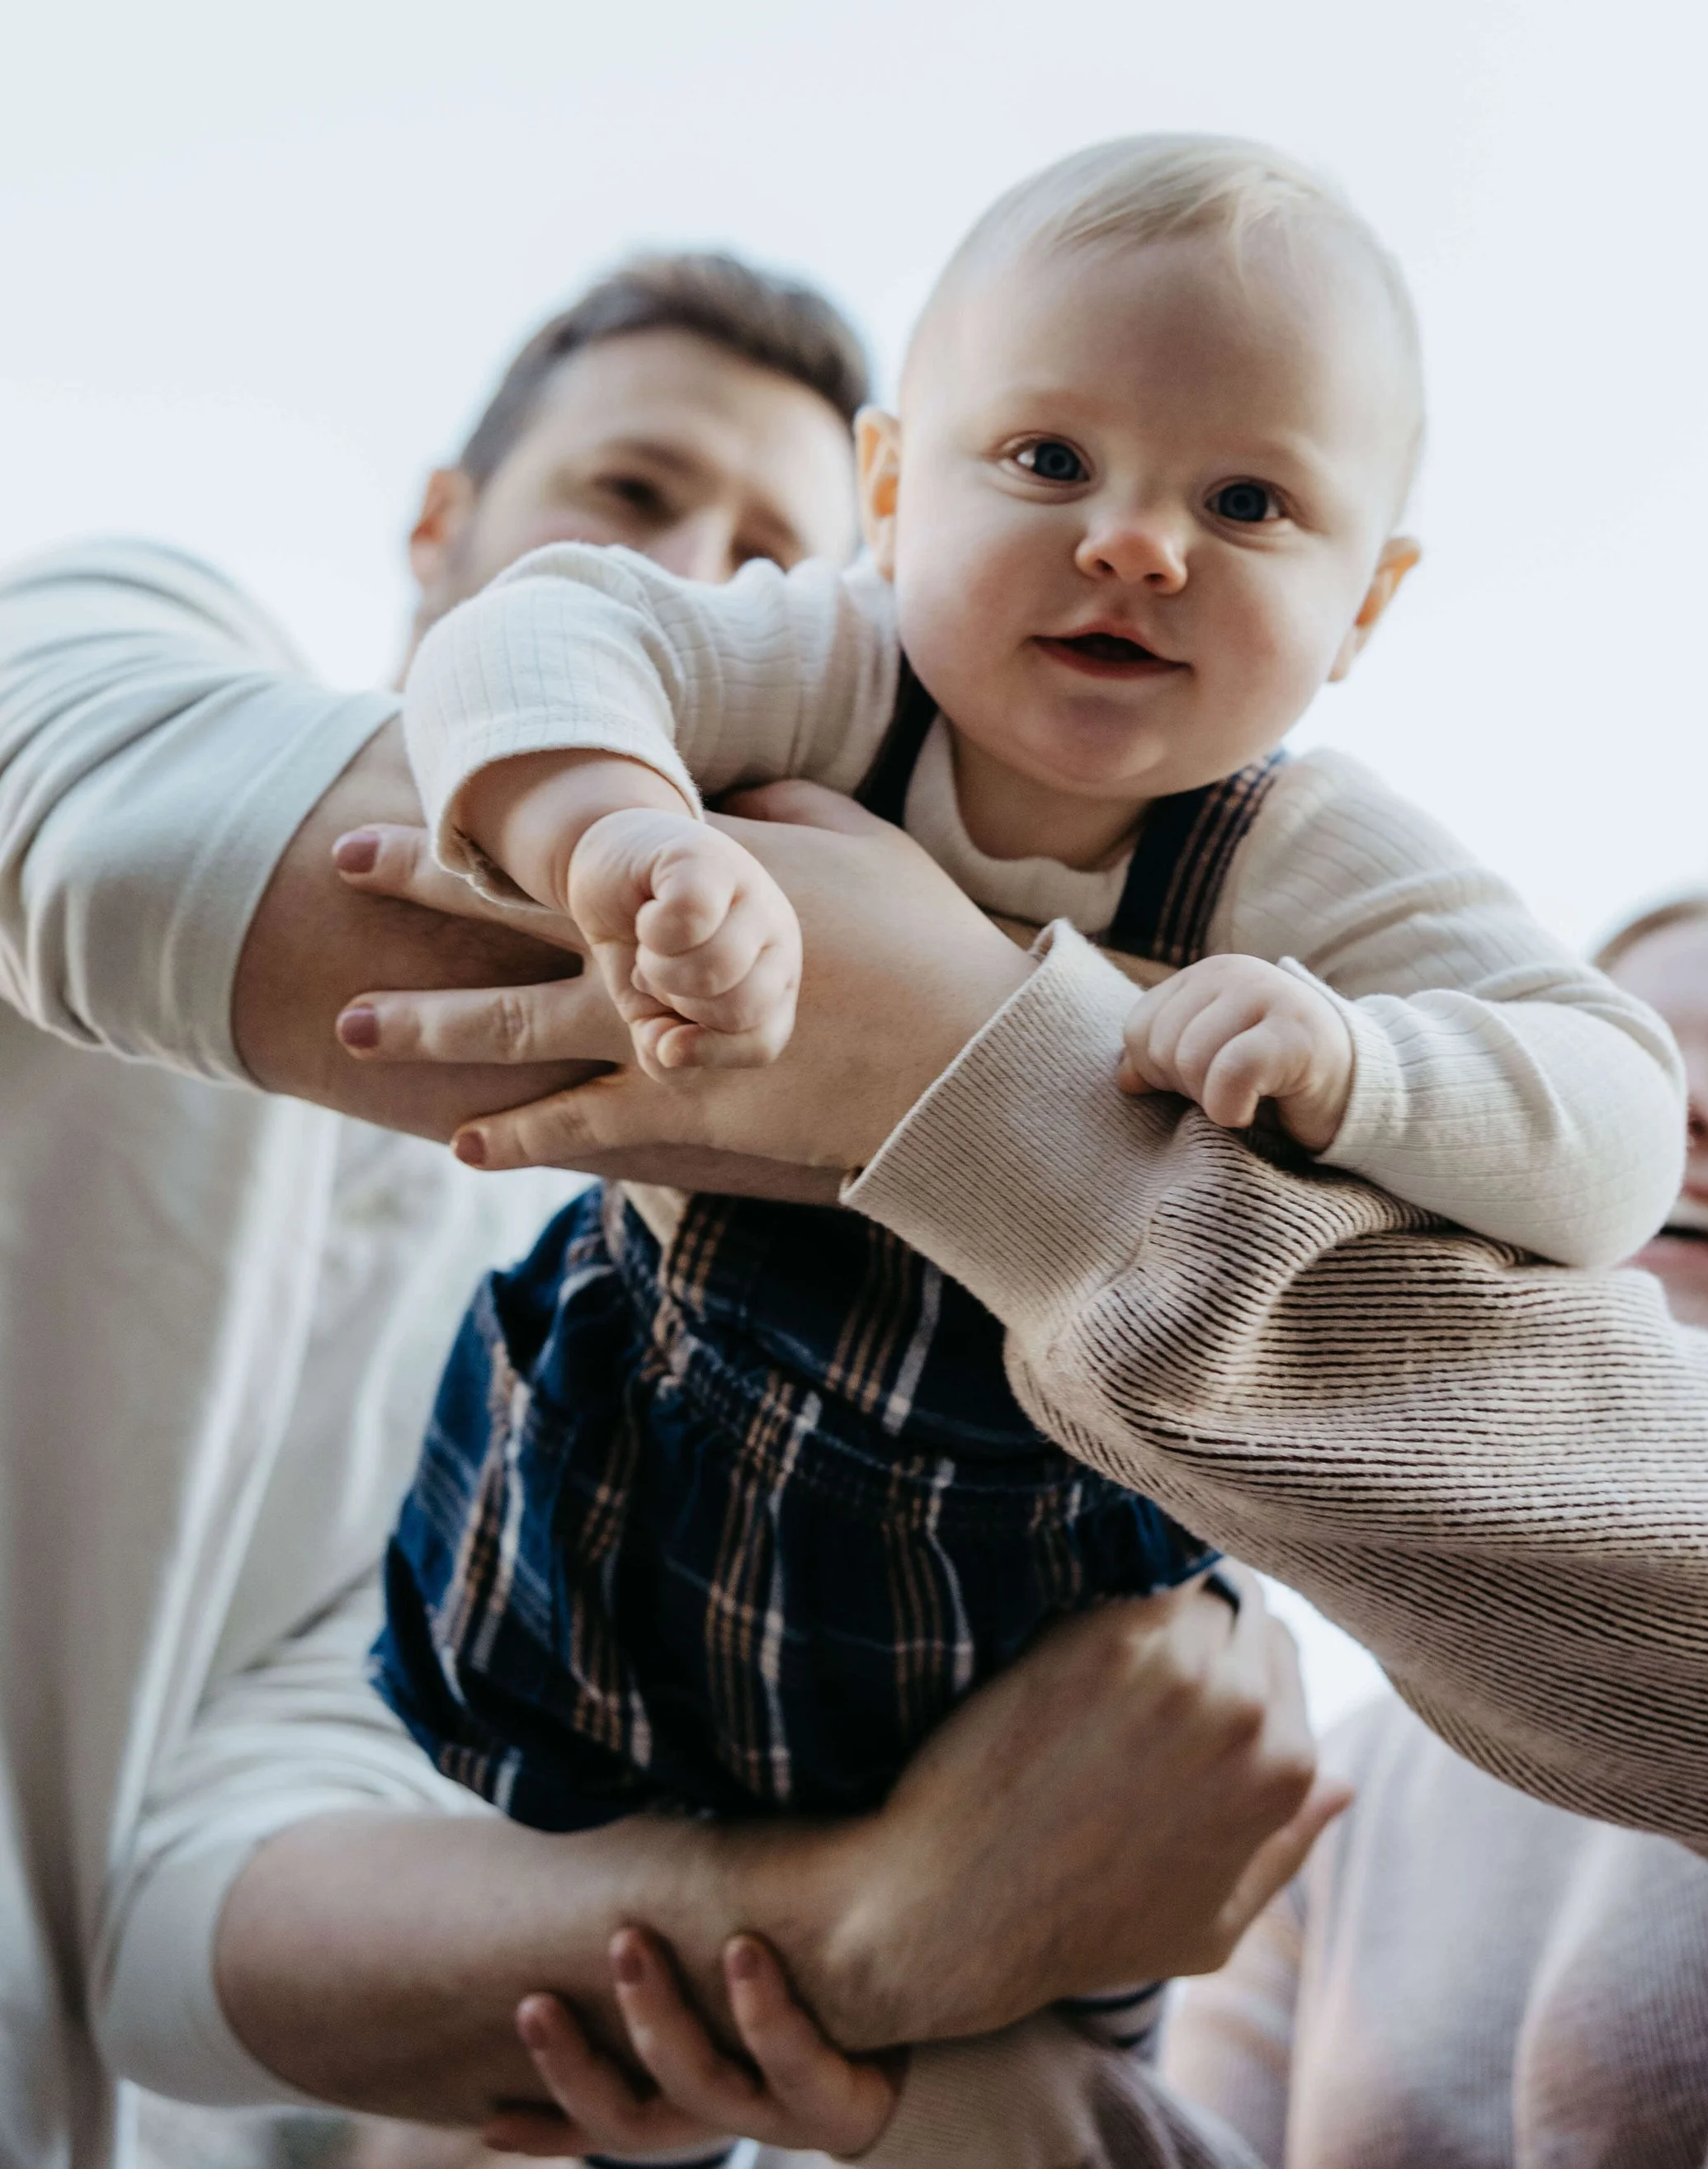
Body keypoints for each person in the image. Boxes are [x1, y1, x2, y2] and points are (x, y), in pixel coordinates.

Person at [1, 251, 1328, 2166]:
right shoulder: (139, 634)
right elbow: (102, 843)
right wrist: (1008, 1070)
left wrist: (884, 1922)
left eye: (776, 551)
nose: (704, 579)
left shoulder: (606, 1345)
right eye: (629, 499)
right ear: (444, 532)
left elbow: (200, 1929)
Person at [374, 137, 1683, 1880]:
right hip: (623, 1533)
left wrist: (1361, 1065)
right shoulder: (837, 668)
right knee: (541, 1974)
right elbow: (527, 637)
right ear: (897, 493)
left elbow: (1615, 1122)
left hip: (1024, 1655)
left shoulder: (1297, 858)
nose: (1135, 544)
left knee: (1034, 1997)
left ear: (1362, 602)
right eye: (1049, 460)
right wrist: (612, 828)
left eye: (1245, 505)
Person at [394, 805, 1708, 2162]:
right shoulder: (1343, 1792)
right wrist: (907, 2089)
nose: (1693, 1115)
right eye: (1630, 1070)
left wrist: (976, 1077)